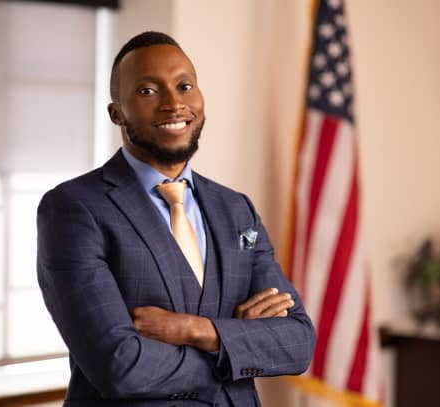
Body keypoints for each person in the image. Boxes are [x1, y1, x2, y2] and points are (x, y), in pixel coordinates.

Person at [37, 31, 315, 407]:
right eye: (148, 91)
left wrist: (191, 330)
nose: (173, 104)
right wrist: (240, 345)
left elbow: (297, 342)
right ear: (116, 112)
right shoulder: (74, 209)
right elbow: (121, 366)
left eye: (184, 86)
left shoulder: (236, 209)